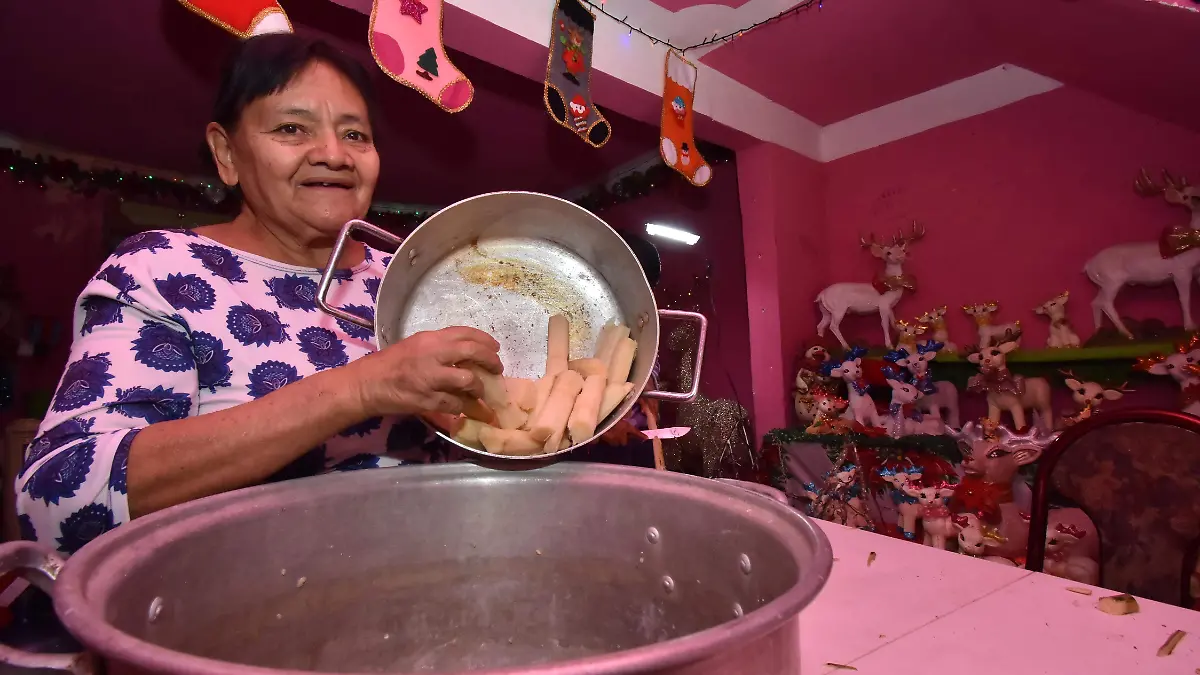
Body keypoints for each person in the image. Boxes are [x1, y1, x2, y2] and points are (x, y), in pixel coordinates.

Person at [16, 34, 502, 553]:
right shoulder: (161, 269)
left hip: (435, 580)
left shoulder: (413, 278)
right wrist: (359, 388)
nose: (334, 155)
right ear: (227, 153)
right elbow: (57, 499)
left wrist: (583, 422)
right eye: (292, 128)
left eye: (355, 135)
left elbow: (492, 433)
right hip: (243, 613)